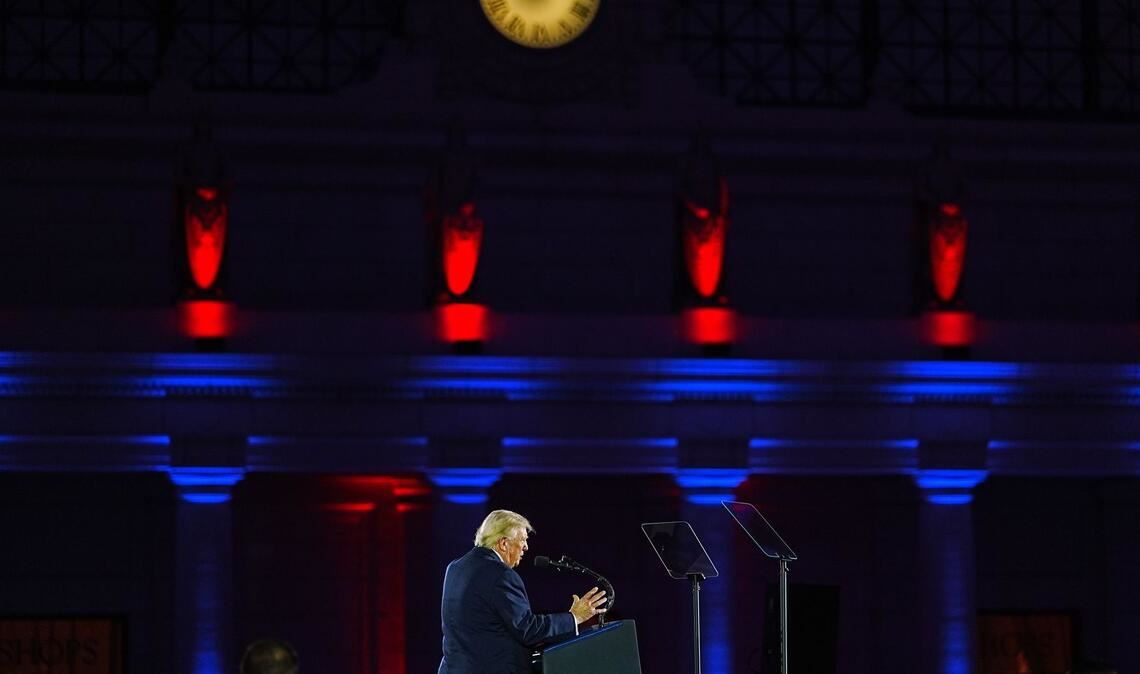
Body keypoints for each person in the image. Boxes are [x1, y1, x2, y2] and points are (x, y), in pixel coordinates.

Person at [439, 509, 608, 674]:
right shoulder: (500, 574)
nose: (526, 547)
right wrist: (574, 617)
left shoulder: (455, 568)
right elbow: (527, 629)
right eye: (523, 540)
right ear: (504, 543)